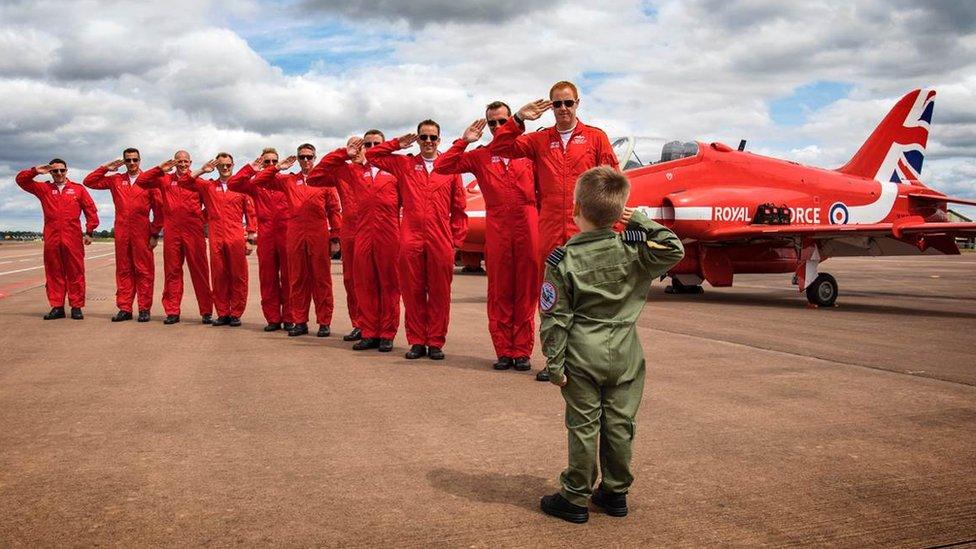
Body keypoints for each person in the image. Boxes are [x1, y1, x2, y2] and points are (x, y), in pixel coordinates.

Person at [538, 166, 684, 524]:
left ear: (576, 209)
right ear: (620, 212)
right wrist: (641, 222)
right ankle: (615, 493)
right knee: (620, 423)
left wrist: (554, 365)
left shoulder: (563, 260)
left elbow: (555, 317)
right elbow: (674, 249)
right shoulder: (635, 251)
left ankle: (575, 498)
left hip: (581, 354)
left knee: (584, 425)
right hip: (625, 352)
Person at [490, 80, 619, 382]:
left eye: (568, 103)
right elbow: (500, 146)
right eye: (557, 104)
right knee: (551, 298)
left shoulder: (595, 138)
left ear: (577, 104)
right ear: (551, 107)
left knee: (588, 298)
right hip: (549, 228)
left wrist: (614, 227)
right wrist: (519, 119)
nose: (563, 109)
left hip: (585, 229)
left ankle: (587, 363)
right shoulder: (538, 140)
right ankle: (554, 361)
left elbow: (613, 182)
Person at [434, 102, 539, 372]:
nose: (498, 127)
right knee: (499, 291)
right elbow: (443, 166)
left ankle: (522, 351)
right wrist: (464, 141)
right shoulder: (481, 155)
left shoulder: (529, 150)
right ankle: (504, 350)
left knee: (526, 291)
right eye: (492, 123)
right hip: (498, 226)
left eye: (503, 121)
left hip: (528, 223)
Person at [365, 120, 468, 360]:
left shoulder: (450, 167)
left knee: (440, 293)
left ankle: (435, 341)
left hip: (440, 238)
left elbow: (459, 207)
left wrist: (455, 242)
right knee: (412, 292)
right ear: (418, 139)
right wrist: (396, 144)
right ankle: (417, 341)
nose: (428, 142)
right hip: (411, 237)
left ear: (439, 140)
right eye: (424, 137)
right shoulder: (406, 165)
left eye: (433, 138)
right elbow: (372, 156)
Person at [310, 131, 400, 352]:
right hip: (354, 230)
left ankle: (386, 332)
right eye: (365, 144)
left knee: (387, 283)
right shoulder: (348, 170)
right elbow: (315, 177)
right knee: (358, 282)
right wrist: (343, 154)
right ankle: (364, 327)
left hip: (386, 232)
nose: (369, 147)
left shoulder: (395, 171)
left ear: (384, 145)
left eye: (375, 144)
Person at [248, 145, 342, 338]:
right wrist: (277, 167)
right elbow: (259, 181)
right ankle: (300, 321)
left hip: (318, 232)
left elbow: (334, 211)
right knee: (297, 279)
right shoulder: (288, 181)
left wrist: (335, 238)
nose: (306, 160)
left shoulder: (325, 182)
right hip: (295, 233)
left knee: (321, 279)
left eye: (309, 157)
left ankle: (324, 321)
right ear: (298, 159)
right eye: (302, 157)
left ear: (315, 157)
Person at [83, 148, 163, 323]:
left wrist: (155, 233)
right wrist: (106, 167)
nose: (132, 163)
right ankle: (125, 308)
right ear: (124, 162)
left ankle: (144, 309)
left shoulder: (150, 182)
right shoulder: (116, 180)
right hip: (121, 230)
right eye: (128, 160)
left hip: (142, 230)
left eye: (135, 160)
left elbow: (159, 210)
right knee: (124, 270)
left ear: (140, 160)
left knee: (144, 271)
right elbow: (89, 181)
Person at [135, 151, 214, 324]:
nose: (183, 164)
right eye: (179, 161)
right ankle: (172, 311)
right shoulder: (164, 180)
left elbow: (210, 205)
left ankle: (206, 311)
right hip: (172, 231)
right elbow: (141, 181)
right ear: (174, 162)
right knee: (172, 272)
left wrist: (200, 219)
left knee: (200, 271)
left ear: (190, 162)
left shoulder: (199, 182)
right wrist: (158, 169)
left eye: (186, 161)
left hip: (194, 232)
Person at [16, 159, 99, 320]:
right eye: (55, 171)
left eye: (62, 170)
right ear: (50, 172)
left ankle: (76, 307)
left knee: (76, 273)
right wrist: (35, 171)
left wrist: (90, 231)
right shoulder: (44, 189)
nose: (59, 174)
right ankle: (57, 306)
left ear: (67, 171)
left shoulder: (78, 189)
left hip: (73, 238)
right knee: (54, 273)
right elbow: (21, 180)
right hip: (52, 237)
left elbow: (91, 210)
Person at [224, 147, 294, 332]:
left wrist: (277, 170)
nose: (270, 165)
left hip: (286, 233)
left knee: (288, 277)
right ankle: (272, 318)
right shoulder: (256, 184)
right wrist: (251, 168)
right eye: (267, 162)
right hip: (266, 234)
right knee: (268, 278)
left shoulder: (287, 181)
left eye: (273, 161)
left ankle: (289, 317)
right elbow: (233, 184)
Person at [184, 154, 257, 327]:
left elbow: (250, 213)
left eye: (228, 165)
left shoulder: (240, 187)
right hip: (216, 236)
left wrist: (251, 238)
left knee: (238, 276)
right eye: (221, 165)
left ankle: (236, 313)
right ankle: (223, 312)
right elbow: (185, 182)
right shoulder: (208, 186)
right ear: (216, 167)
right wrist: (202, 169)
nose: (225, 168)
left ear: (233, 165)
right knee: (218, 276)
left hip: (235, 236)